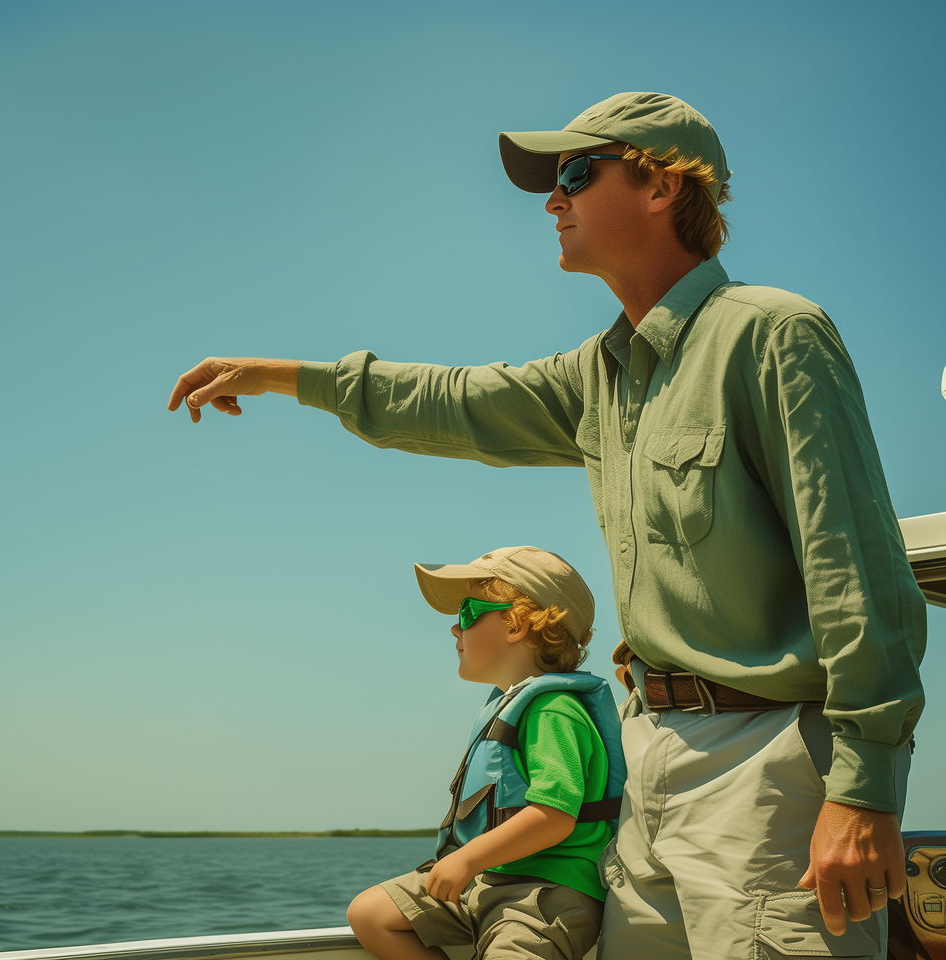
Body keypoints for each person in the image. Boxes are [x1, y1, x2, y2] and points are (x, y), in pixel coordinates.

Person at [168, 92, 926, 959]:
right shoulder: (597, 375)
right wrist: (277, 376)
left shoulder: (773, 335)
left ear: (660, 187)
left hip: (767, 766)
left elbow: (859, 571)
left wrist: (865, 789)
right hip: (643, 765)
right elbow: (451, 401)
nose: (551, 199)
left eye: (574, 173)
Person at [346, 545, 626, 960]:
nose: (454, 631)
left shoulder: (553, 709)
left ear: (516, 624)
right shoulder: (512, 703)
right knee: (371, 914)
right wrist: (473, 865)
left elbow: (554, 816)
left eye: (466, 615)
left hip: (544, 894)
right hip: (491, 878)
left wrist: (468, 858)